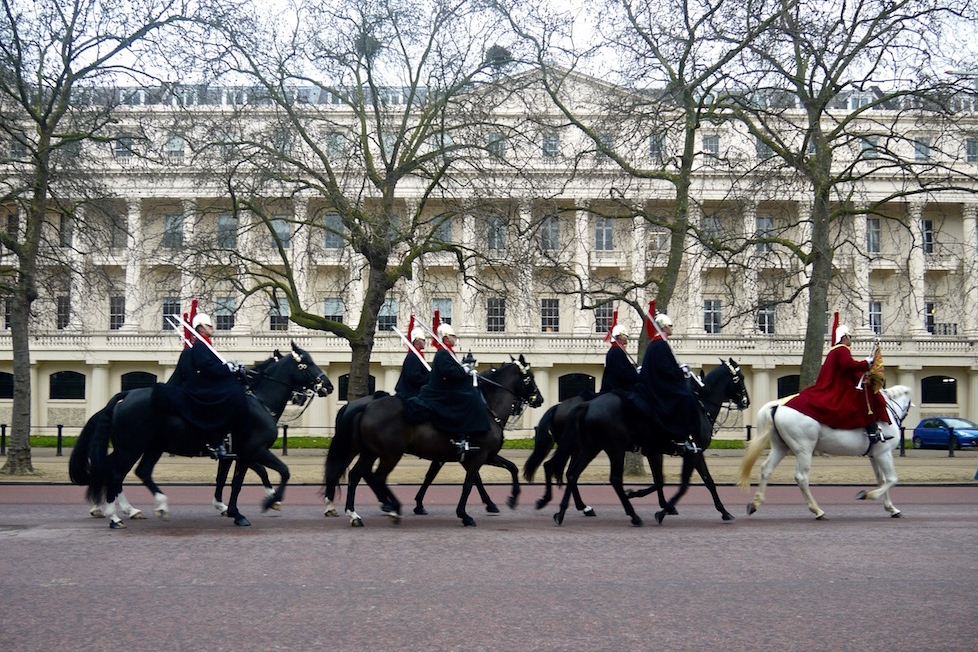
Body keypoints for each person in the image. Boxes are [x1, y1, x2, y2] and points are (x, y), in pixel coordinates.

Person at [158, 313, 248, 459]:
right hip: (199, 387)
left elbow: (213, 364)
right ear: (201, 327)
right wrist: (227, 368)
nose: (213, 327)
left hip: (203, 384)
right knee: (226, 398)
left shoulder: (205, 343)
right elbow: (206, 367)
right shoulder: (200, 345)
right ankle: (215, 442)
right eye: (209, 325)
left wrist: (229, 365)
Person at [784, 323, 892, 443]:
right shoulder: (842, 349)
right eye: (849, 337)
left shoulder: (835, 351)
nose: (850, 340)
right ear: (844, 337)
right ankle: (873, 432)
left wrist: (864, 367)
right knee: (865, 396)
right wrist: (866, 363)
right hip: (840, 387)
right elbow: (848, 365)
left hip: (837, 383)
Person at [632, 313, 708, 454]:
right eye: (671, 326)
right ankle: (682, 437)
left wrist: (679, 370)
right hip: (659, 385)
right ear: (665, 327)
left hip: (657, 383)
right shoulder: (660, 344)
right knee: (686, 398)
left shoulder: (657, 343)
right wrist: (680, 371)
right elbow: (665, 369)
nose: (673, 328)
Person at [413, 323, 490, 457]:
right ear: (446, 338)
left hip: (447, 387)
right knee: (470, 398)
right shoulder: (443, 353)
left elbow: (453, 370)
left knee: (472, 393)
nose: (455, 339)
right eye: (453, 336)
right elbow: (448, 372)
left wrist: (464, 369)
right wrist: (463, 370)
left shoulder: (448, 352)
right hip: (442, 389)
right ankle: (461, 436)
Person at [599, 324, 638, 393]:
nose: (627, 338)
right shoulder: (617, 351)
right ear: (620, 337)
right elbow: (621, 372)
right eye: (625, 336)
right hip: (617, 387)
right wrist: (636, 373)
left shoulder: (616, 350)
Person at [394, 329, 430, 399]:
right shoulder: (413, 356)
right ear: (416, 341)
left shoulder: (418, 355)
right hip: (410, 392)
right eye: (423, 340)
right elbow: (414, 377)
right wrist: (430, 377)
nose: (424, 342)